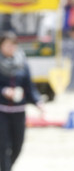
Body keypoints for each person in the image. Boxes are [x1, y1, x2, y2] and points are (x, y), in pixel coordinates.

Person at [0, 31, 44, 171]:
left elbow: (29, 86)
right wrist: (3, 91)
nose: (10, 48)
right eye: (7, 45)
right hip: (2, 111)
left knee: (17, 146)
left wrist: (38, 102)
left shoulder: (23, 63)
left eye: (13, 45)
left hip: (19, 111)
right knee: (3, 145)